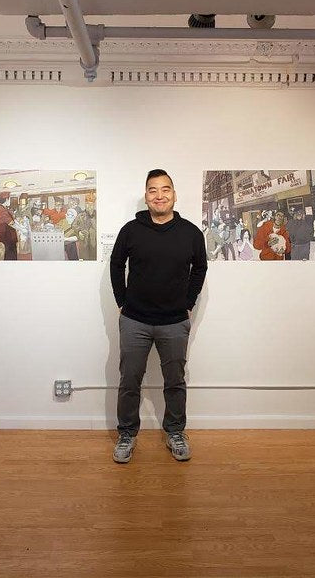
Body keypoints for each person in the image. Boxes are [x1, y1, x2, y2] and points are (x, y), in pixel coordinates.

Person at [110, 169, 207, 464]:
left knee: (175, 381)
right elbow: (116, 265)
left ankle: (175, 432)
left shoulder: (191, 232)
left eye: (165, 190)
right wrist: (122, 303)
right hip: (135, 320)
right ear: (146, 196)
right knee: (129, 380)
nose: (159, 195)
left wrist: (188, 303)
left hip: (175, 322)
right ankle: (127, 434)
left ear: (174, 195)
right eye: (153, 190)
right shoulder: (131, 230)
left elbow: (200, 269)